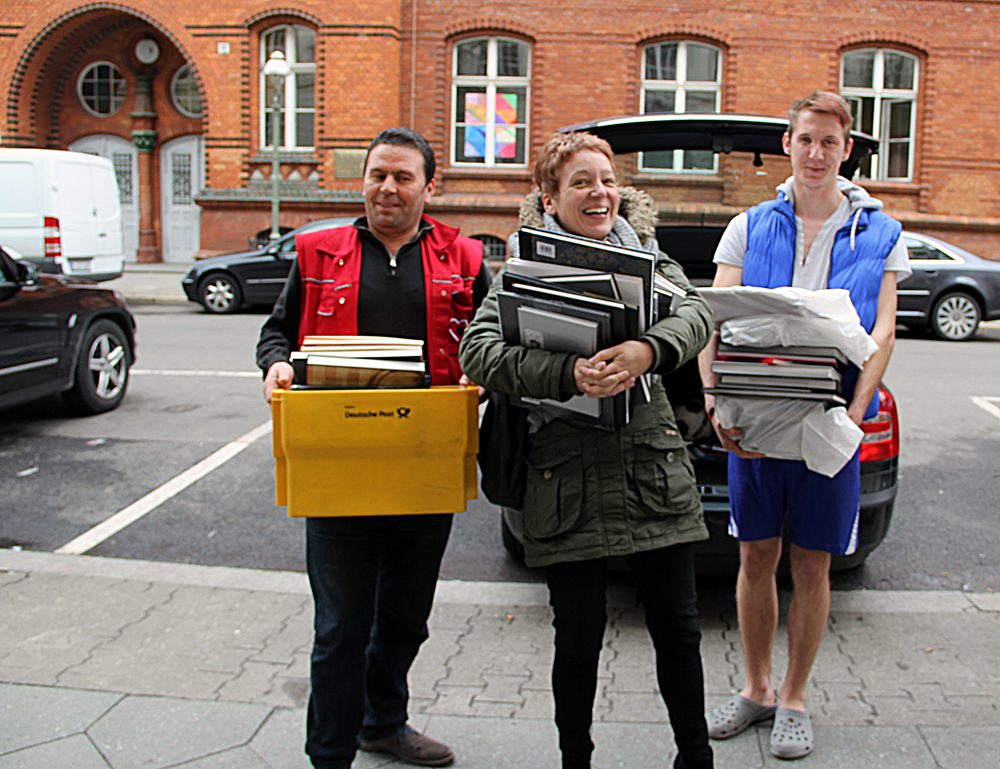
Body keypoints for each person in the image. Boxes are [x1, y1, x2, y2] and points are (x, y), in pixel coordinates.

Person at [459, 131, 715, 769]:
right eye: (580, 182)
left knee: (679, 632)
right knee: (576, 640)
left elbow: (697, 316)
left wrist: (647, 350)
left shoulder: (651, 259)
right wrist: (565, 374)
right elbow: (478, 352)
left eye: (606, 180)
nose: (598, 191)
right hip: (565, 477)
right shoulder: (519, 272)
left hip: (651, 471)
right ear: (549, 198)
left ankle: (695, 756)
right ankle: (576, 759)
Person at [256, 126, 491, 769]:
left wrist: (483, 373)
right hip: (339, 463)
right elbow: (276, 335)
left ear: (428, 186)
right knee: (339, 628)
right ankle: (329, 755)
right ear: (363, 180)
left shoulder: (466, 258)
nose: (387, 188)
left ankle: (382, 723)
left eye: (403, 177)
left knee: (406, 619)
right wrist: (276, 367)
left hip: (425, 462)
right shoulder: (317, 253)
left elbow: (493, 342)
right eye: (377, 175)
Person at [699, 92, 911, 760]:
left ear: (845, 148)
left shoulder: (882, 231)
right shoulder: (749, 223)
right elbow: (713, 316)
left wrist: (856, 412)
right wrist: (713, 401)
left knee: (814, 562)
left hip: (830, 417)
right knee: (755, 553)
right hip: (755, 418)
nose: (816, 153)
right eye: (805, 140)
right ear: (787, 143)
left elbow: (882, 329)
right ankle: (755, 687)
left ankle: (794, 697)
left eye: (829, 142)